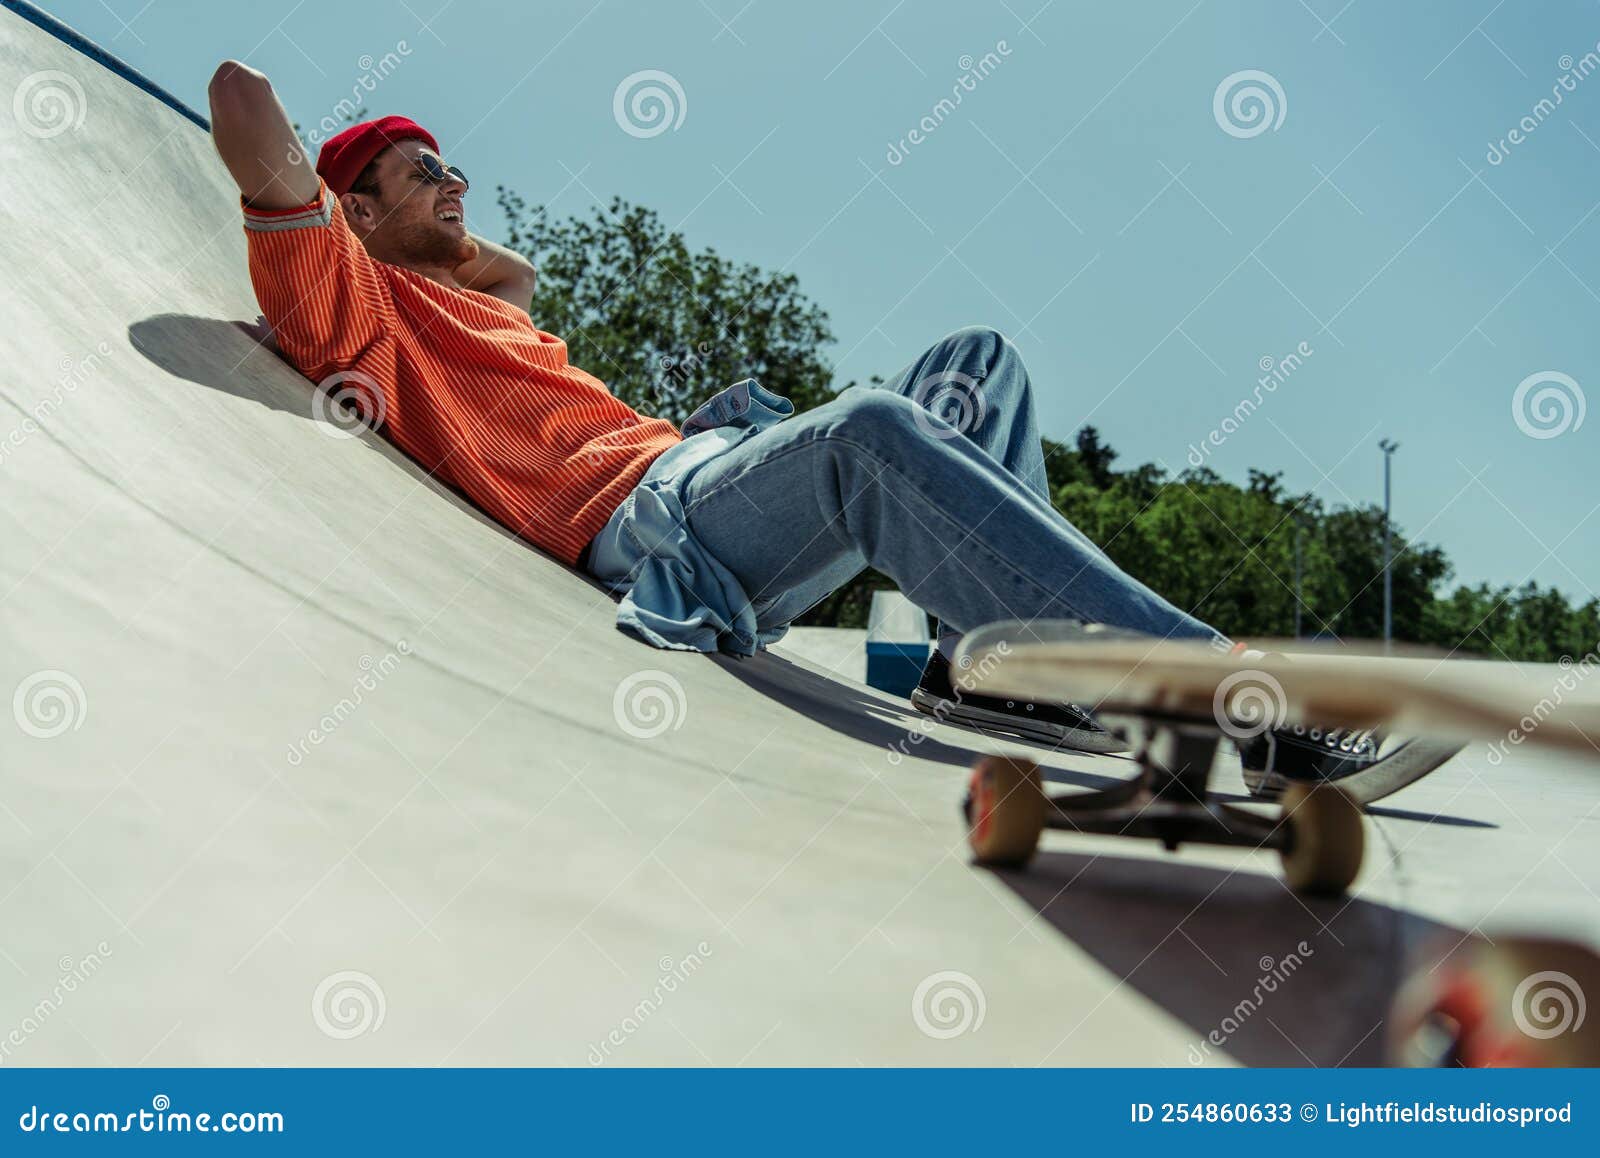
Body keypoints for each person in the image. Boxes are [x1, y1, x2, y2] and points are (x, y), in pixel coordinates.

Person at [206, 61, 1458, 801]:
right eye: (424, 174)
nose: (454, 185)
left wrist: (451, 229)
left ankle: (992, 668)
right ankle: (1240, 702)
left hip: (700, 457)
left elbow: (516, 281)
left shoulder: (475, 303)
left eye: (453, 170)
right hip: (651, 530)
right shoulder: (357, 304)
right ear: (353, 209)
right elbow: (241, 106)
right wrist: (345, 206)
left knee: (976, 367)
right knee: (867, 431)